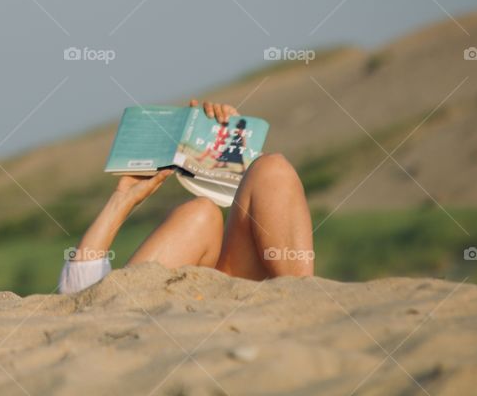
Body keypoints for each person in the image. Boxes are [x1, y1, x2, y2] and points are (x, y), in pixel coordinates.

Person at [59, 99, 314, 294]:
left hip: (242, 303)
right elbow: (83, 299)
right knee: (199, 214)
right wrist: (122, 199)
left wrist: (234, 151)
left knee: (272, 169)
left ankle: (304, 296)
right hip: (154, 318)